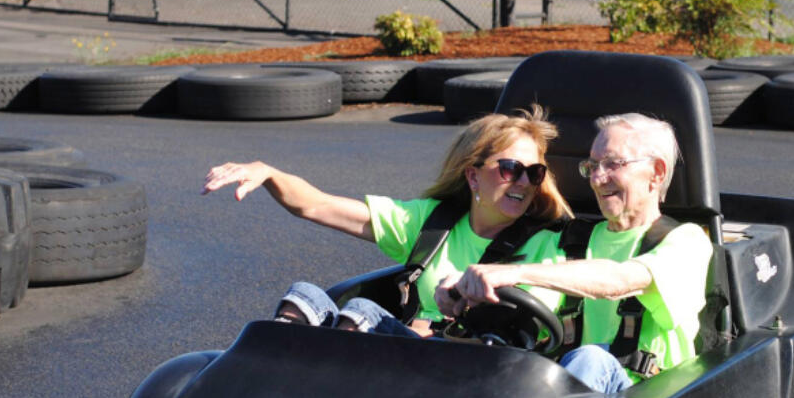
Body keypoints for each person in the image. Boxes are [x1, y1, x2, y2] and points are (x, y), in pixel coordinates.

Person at [202, 105, 571, 336]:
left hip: (478, 373)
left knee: (362, 314)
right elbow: (317, 206)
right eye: (510, 169)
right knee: (304, 299)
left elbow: (523, 321)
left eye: (534, 172)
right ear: (473, 176)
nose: (523, 182)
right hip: (410, 360)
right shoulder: (433, 223)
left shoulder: (546, 243)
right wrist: (267, 173)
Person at [439, 112, 713, 393]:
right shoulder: (570, 241)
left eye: (612, 164)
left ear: (656, 173)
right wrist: (464, 289)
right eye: (592, 166)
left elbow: (620, 280)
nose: (596, 178)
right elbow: (526, 297)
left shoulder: (685, 242)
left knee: (591, 359)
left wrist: (513, 272)